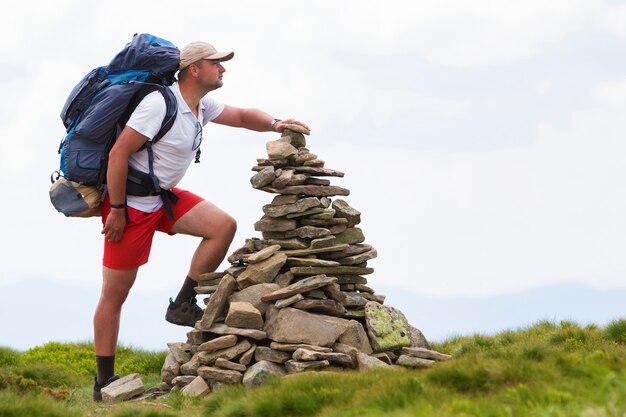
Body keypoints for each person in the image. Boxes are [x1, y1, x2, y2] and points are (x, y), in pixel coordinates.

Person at [92, 41, 308, 400]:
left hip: (163, 199)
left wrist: (275, 123)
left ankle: (183, 304)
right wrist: (116, 210)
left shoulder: (200, 105)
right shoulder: (158, 104)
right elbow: (118, 155)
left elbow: (240, 116)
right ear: (194, 69)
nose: (223, 69)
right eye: (216, 63)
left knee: (222, 226)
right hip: (130, 207)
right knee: (115, 295)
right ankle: (103, 383)